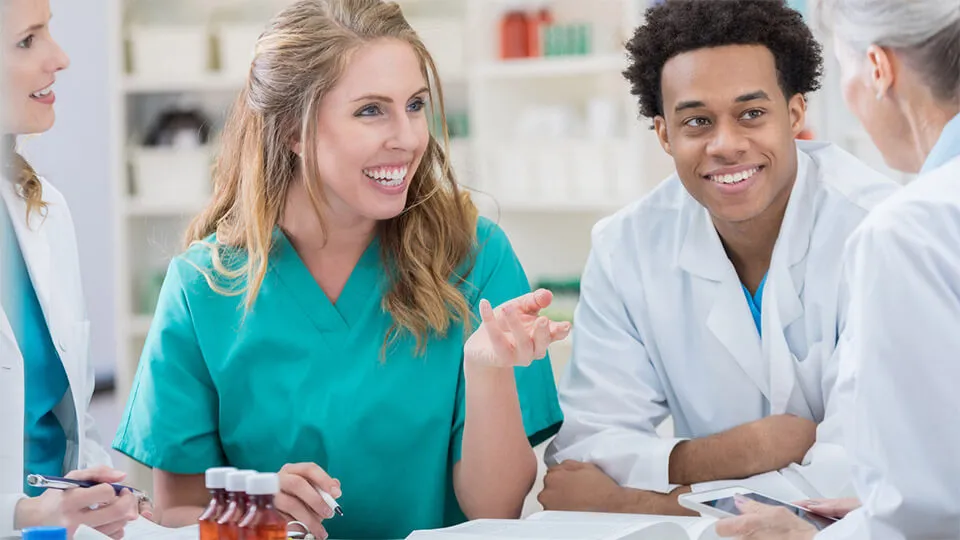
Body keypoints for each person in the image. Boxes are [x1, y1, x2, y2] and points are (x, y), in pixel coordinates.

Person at [111, 1, 568, 539]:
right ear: (291, 131)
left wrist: (487, 369)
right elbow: (179, 512)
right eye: (371, 110)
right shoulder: (202, 287)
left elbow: (496, 511)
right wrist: (256, 513)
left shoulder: (475, 258)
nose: (408, 137)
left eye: (415, 104)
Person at [540, 0, 900, 515]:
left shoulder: (878, 232)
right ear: (664, 134)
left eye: (751, 114)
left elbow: (853, 475)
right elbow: (585, 450)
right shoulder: (627, 248)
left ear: (795, 113)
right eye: (697, 122)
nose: (725, 145)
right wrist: (738, 451)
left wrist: (641, 503)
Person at [716, 0, 960, 538]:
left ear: (878, 69)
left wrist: (813, 535)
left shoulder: (909, 229)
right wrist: (876, 509)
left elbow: (926, 516)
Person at [0, 0, 141, 537]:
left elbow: (70, 427)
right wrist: (26, 512)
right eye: (28, 40)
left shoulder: (43, 209)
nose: (59, 58)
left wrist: (101, 496)